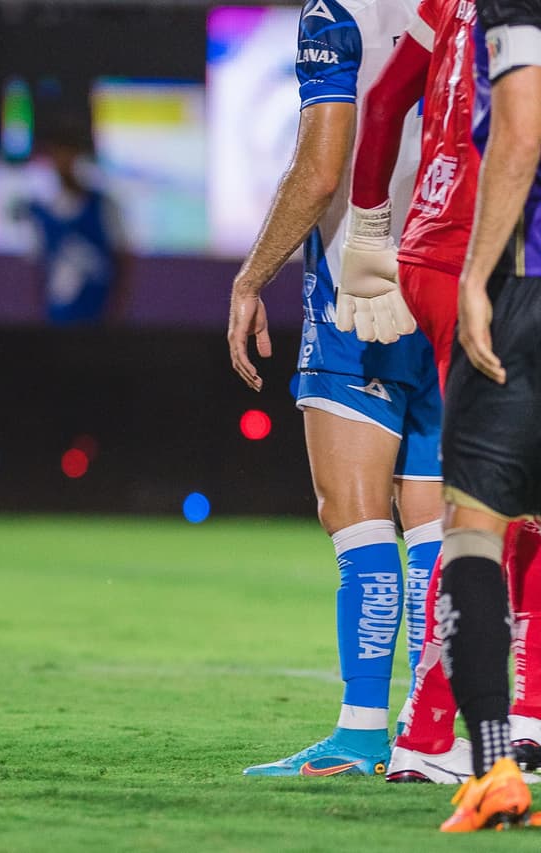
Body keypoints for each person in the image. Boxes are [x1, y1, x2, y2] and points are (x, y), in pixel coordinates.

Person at [227, 0, 445, 776]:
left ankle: (359, 732)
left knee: (356, 523)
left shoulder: (339, 11)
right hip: (453, 277)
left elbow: (323, 170)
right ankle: (432, 733)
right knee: (435, 528)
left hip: (361, 288)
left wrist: (252, 275)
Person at [346, 0, 541, 783]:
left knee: (507, 504)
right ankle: (435, 732)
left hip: (435, 242)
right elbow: (520, 127)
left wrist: (369, 229)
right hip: (492, 253)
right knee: (488, 513)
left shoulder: (444, 5)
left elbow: (387, 97)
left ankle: (515, 716)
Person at [433, 0, 541, 830]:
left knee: (474, 527)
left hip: (528, 286)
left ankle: (496, 764)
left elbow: (521, 129)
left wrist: (476, 276)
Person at [27, 116, 131, 326]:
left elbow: (124, 261)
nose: (64, 161)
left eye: (70, 152)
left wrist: (117, 314)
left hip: (98, 322)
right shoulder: (41, 210)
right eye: (58, 153)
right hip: (56, 323)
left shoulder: (104, 206)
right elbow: (36, 272)